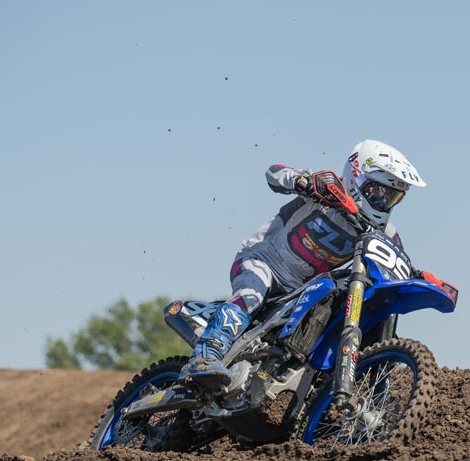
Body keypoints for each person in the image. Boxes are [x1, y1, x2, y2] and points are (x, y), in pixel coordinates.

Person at [182, 139, 426, 389]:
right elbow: (274, 172)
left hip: (302, 290)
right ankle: (205, 357)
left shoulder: (385, 231)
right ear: (357, 177)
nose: (383, 201)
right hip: (263, 261)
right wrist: (302, 181)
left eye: (392, 197)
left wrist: (414, 274)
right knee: (250, 297)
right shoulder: (328, 188)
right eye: (378, 191)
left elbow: (396, 258)